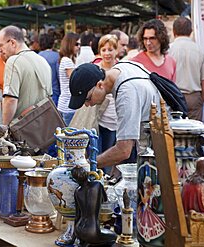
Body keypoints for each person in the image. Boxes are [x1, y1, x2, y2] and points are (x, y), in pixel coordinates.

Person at [68, 62, 161, 169]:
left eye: (88, 99)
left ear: (99, 85)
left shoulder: (126, 94)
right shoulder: (121, 67)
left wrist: (85, 166)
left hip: (160, 153)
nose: (87, 105)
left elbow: (123, 150)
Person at [0, 25, 52, 125]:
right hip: (42, 128)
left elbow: (10, 100)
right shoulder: (42, 60)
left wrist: (3, 127)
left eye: (0, 45)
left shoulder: (13, 61)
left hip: (22, 130)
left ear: (12, 42)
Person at [169, 17, 204, 121]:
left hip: (173, 96)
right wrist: (200, 100)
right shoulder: (201, 50)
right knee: (194, 132)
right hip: (193, 97)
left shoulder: (167, 50)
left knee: (174, 130)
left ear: (173, 31)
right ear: (191, 31)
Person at [92, 35, 119, 176]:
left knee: (109, 153)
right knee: (95, 151)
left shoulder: (120, 68)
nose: (107, 53)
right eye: (104, 49)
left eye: (110, 49)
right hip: (96, 118)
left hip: (114, 118)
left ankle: (106, 181)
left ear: (116, 50)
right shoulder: (96, 69)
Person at [71, 165, 117, 246]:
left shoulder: (77, 192)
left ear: (75, 180)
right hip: (92, 231)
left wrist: (74, 237)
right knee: (114, 236)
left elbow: (77, 215)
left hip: (79, 230)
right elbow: (105, 201)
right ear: (87, 174)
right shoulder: (97, 185)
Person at [57, 32, 80, 125]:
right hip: (68, 105)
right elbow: (74, 81)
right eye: (76, 44)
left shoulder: (66, 60)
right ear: (70, 44)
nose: (79, 47)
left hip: (65, 104)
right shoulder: (67, 61)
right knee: (69, 137)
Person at [137, 176, 165, 242]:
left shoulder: (148, 191)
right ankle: (147, 236)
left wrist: (140, 194)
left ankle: (148, 236)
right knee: (146, 222)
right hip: (145, 208)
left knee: (148, 222)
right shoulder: (148, 190)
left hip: (147, 208)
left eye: (145, 183)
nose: (144, 185)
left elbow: (144, 201)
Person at [38, 33, 60, 106]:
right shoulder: (57, 57)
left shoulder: (37, 57)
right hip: (54, 92)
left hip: (40, 94)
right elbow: (59, 76)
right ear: (52, 43)